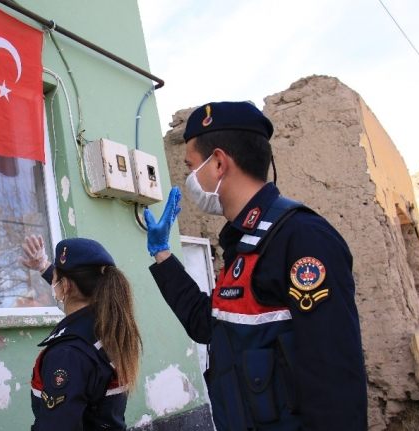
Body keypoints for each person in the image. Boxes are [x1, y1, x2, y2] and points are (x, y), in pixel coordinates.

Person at [144, 102, 367, 430]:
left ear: (218, 162)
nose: (190, 178)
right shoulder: (242, 243)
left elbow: (335, 381)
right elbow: (208, 326)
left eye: (191, 167)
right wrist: (162, 255)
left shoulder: (301, 237)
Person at [21, 236, 142, 430]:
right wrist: (43, 266)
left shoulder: (69, 353)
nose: (52, 281)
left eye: (55, 277)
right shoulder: (109, 326)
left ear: (66, 285)